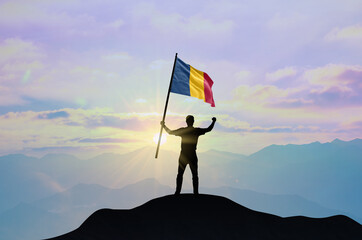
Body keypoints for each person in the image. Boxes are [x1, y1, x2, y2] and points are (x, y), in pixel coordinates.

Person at [161, 115, 216, 195]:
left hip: (184, 155)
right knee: (194, 175)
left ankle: (177, 192)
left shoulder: (183, 131)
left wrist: (163, 126)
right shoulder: (196, 131)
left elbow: (170, 132)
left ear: (186, 122)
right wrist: (213, 122)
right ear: (193, 121)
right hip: (192, 155)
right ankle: (195, 193)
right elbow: (208, 129)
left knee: (180, 174)